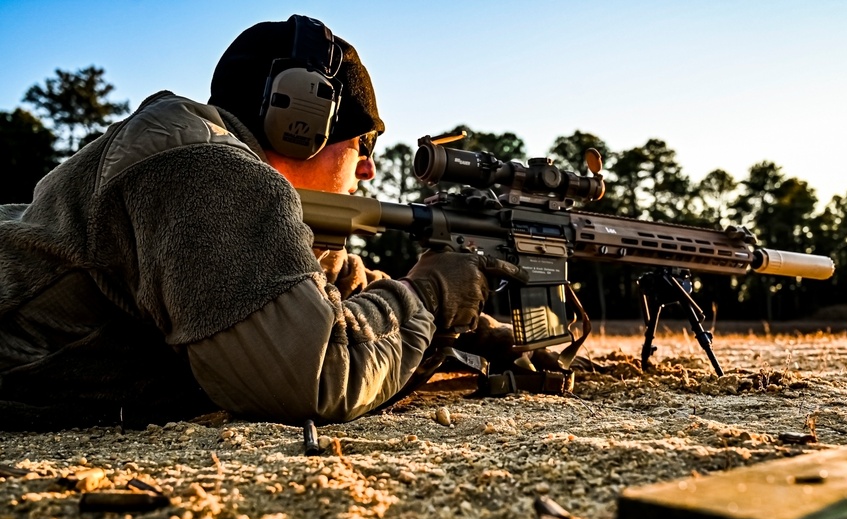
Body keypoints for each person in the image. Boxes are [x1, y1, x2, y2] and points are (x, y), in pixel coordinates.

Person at [0, 15, 520, 431]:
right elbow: (313, 378)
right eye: (363, 144)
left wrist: (485, 332)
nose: (368, 168)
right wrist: (429, 295)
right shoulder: (203, 168)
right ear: (301, 121)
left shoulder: (245, 197)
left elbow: (341, 291)